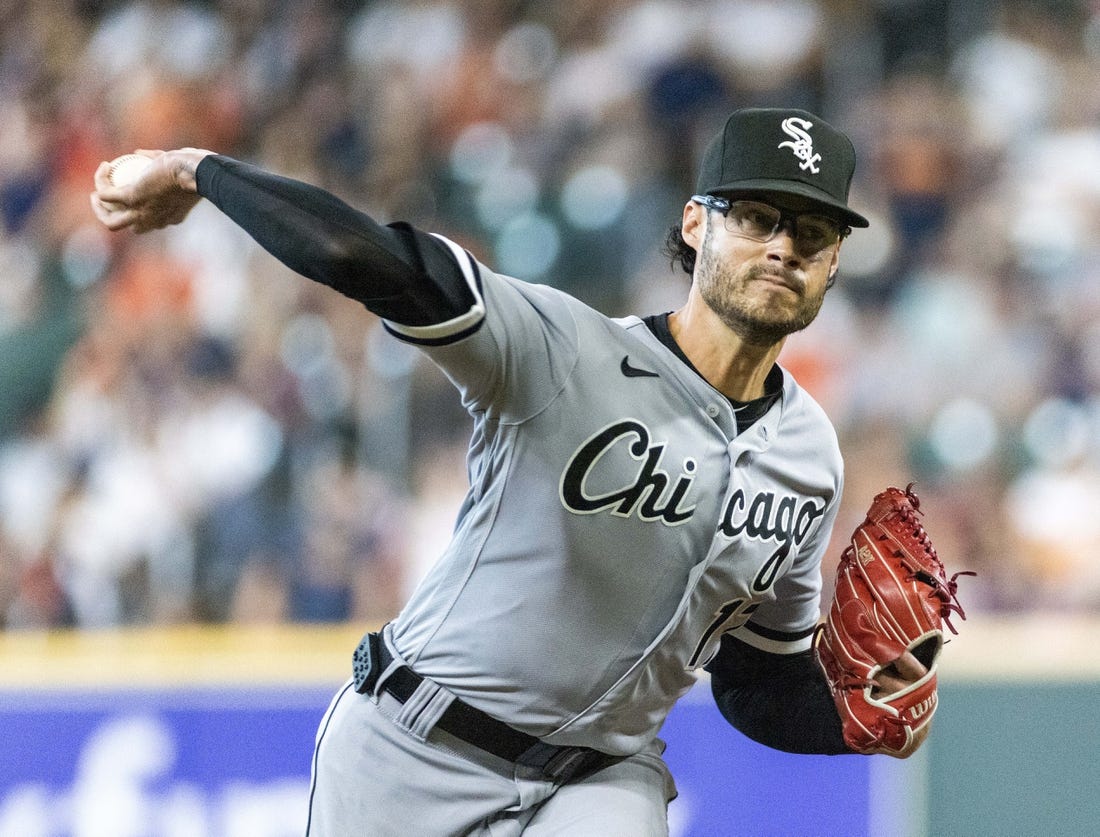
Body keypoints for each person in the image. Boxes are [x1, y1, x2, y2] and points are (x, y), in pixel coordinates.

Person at [91, 107, 932, 837]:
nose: (784, 247)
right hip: (412, 747)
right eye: (756, 217)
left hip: (601, 778)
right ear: (693, 224)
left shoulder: (810, 454)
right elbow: (373, 260)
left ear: (832, 264)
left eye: (812, 234)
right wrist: (200, 171)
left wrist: (852, 714)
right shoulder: (564, 350)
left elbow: (756, 678)